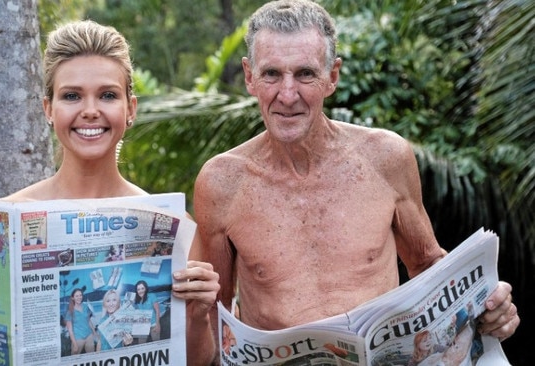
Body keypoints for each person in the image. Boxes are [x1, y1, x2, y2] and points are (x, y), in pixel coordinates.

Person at [192, 0, 519, 363]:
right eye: (271, 74)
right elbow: (213, 314)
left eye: (304, 74)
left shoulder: (385, 157)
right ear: (249, 76)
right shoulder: (222, 182)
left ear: (332, 76)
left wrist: (489, 305)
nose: (287, 95)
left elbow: (429, 267)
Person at [0, 20, 219, 365]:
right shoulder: (2, 221)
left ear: (130, 109)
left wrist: (198, 314)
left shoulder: (174, 227)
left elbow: (199, 361)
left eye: (107, 95)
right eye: (71, 96)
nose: (89, 110)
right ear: (48, 109)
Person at [65, 288, 96, 354]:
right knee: (74, 360)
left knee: (91, 357)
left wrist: (94, 332)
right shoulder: (70, 311)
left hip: (89, 336)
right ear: (73, 298)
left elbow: (88, 320)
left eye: (80, 295)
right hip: (78, 338)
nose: (79, 297)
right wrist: (74, 344)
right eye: (77, 296)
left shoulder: (85, 307)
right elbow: (70, 330)